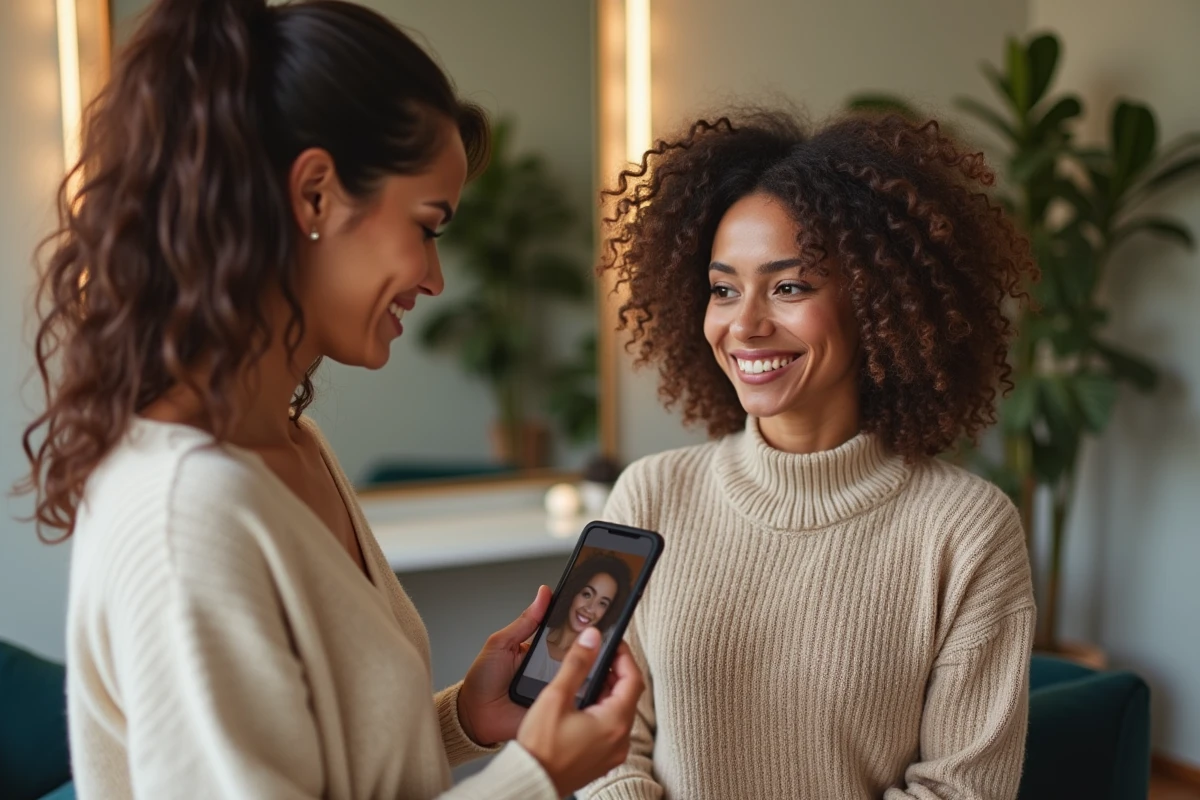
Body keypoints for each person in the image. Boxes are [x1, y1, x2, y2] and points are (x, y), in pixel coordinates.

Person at [18, 1, 642, 797]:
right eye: (427, 225)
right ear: (314, 195)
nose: (434, 279)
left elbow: (318, 758)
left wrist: (462, 720)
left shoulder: (292, 445)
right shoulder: (185, 511)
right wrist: (540, 776)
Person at [580, 109, 1038, 799]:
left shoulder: (966, 530)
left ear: (878, 303)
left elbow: (959, 791)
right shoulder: (648, 497)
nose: (746, 324)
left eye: (790, 286)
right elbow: (601, 741)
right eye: (724, 288)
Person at [525, 555, 633, 683]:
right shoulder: (532, 644)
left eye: (603, 603)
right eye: (587, 594)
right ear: (574, 592)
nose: (590, 608)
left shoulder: (600, 658)